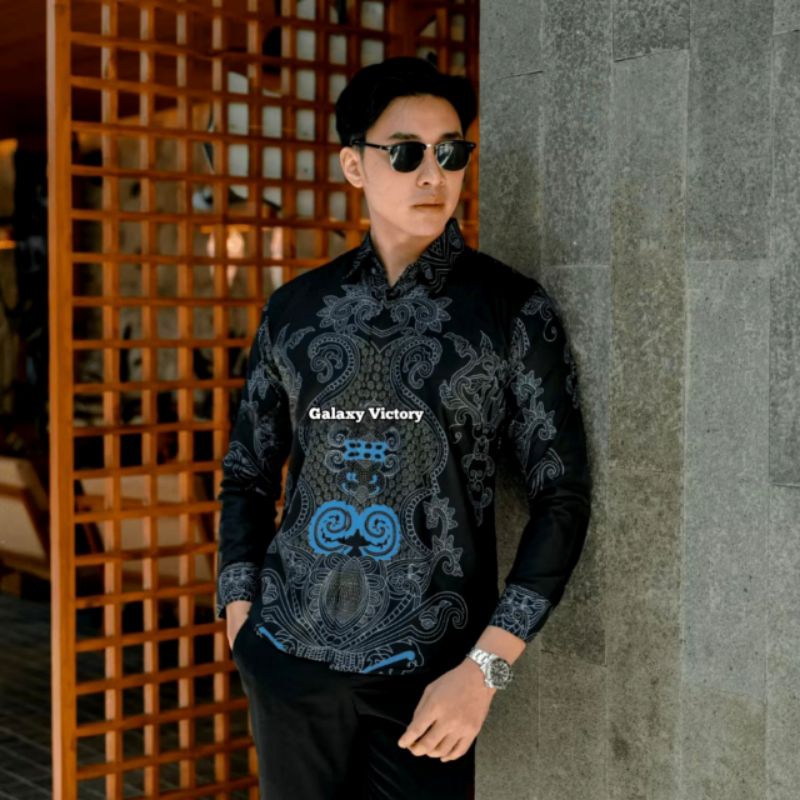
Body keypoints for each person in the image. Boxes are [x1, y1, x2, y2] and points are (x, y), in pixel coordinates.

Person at [215, 55, 592, 800]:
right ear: (355, 165)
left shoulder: (511, 310)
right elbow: (247, 473)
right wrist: (241, 619)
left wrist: (486, 668)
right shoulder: (294, 309)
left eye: (450, 152)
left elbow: (563, 495)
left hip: (432, 679)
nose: (433, 174)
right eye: (407, 152)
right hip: (286, 656)